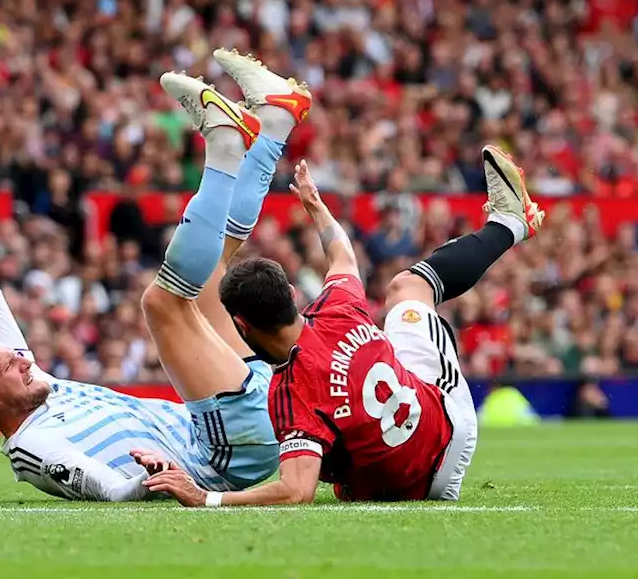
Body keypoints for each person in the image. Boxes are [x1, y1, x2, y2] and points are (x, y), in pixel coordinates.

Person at [0, 51, 313, 501]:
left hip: (230, 419)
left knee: (215, 274)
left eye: (16, 357)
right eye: (11, 366)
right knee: (161, 302)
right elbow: (107, 489)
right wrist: (153, 479)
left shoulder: (31, 383)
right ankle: (226, 146)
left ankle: (276, 121)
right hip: (224, 453)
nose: (26, 360)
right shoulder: (35, 449)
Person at [143, 145, 543, 506]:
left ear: (242, 328)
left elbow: (297, 491)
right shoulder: (337, 304)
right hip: (447, 426)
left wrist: (207, 498)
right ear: (292, 296)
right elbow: (342, 256)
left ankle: (510, 220)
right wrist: (316, 208)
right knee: (409, 287)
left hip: (419, 481)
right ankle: (508, 224)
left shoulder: (290, 392)